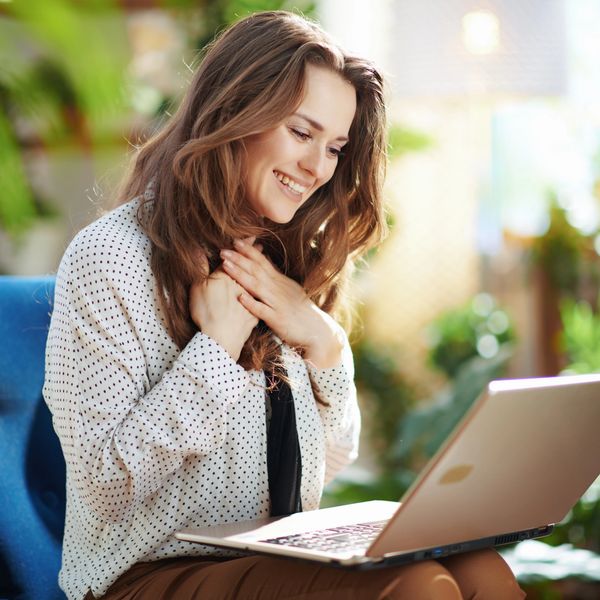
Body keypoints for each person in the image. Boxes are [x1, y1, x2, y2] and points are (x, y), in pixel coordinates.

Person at [44, 10, 525, 600]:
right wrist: (215, 353)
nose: (317, 168)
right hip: (145, 573)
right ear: (234, 113)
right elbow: (101, 484)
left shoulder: (281, 256)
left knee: (486, 573)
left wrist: (325, 341)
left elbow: (331, 459)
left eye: (334, 147)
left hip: (275, 552)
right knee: (418, 586)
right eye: (302, 133)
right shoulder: (111, 257)